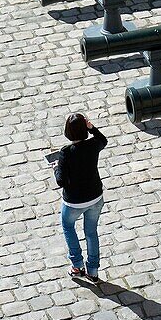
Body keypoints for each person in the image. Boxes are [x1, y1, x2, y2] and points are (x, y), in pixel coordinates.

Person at [54, 113, 107, 283]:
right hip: (95, 197)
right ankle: (93, 270)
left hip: (74, 202)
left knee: (68, 226)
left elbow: (60, 181)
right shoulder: (93, 145)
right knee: (91, 232)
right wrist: (92, 128)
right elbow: (103, 140)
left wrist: (56, 168)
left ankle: (77, 265)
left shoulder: (66, 153)